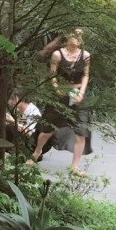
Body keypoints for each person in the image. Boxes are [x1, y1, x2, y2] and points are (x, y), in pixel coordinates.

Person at [28, 29, 92, 174]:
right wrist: (57, 89)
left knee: (81, 131)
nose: (77, 38)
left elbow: (86, 75)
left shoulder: (85, 55)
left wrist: (82, 92)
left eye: (80, 36)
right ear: (68, 37)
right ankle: (37, 152)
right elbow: (53, 75)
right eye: (75, 35)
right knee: (47, 129)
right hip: (60, 95)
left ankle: (74, 166)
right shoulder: (57, 54)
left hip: (78, 95)